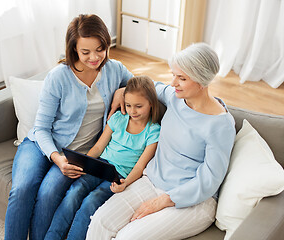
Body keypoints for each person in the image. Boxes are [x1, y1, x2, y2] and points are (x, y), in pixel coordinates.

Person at [86, 43, 237, 240]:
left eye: (181, 78)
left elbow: (208, 181)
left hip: (194, 201)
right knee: (100, 222)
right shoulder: (175, 98)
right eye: (174, 75)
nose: (173, 83)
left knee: (127, 238)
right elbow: (145, 86)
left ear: (201, 81)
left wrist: (164, 201)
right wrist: (122, 90)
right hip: (153, 181)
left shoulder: (220, 125)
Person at [4, 14, 133, 240]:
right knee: (22, 190)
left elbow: (145, 86)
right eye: (85, 52)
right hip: (39, 144)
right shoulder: (58, 77)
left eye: (100, 49)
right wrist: (57, 158)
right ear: (73, 49)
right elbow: (42, 128)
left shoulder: (115, 69)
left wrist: (125, 89)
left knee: (48, 193)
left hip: (78, 155)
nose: (94, 57)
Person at [44, 76, 161, 240]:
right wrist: (84, 162)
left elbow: (140, 167)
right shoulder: (119, 118)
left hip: (119, 177)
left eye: (138, 106)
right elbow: (99, 147)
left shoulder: (153, 131)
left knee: (91, 201)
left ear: (151, 104)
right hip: (100, 166)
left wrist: (125, 183)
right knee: (73, 193)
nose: (133, 111)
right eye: (128, 105)